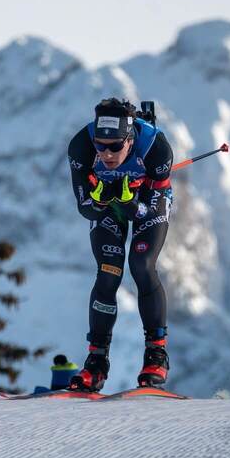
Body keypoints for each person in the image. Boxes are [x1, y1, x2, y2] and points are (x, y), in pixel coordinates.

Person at [65, 98, 174, 392]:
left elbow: (149, 211)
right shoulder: (81, 146)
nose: (107, 154)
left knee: (142, 265)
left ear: (130, 139)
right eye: (101, 146)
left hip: (145, 200)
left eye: (115, 146)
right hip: (109, 206)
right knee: (108, 271)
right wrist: (100, 200)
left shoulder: (156, 148)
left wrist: (129, 203)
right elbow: (85, 209)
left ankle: (156, 356)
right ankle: (96, 362)